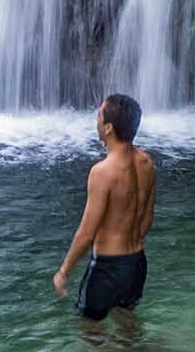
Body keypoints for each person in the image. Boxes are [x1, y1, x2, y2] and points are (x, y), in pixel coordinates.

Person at [53, 93, 155, 321]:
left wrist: (63, 272)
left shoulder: (102, 172)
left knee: (90, 334)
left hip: (107, 268)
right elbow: (148, 217)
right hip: (137, 263)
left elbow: (86, 233)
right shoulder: (146, 163)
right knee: (128, 325)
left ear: (108, 128)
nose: (96, 120)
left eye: (99, 115)